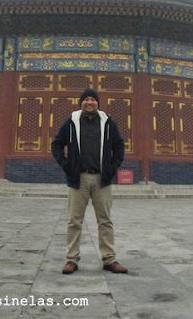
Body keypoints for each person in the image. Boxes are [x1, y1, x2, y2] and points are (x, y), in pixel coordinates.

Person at [51, 88, 128, 274]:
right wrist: (67, 165)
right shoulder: (72, 122)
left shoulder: (108, 122)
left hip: (102, 179)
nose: (89, 102)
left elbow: (119, 145)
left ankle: (109, 259)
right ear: (81, 103)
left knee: (105, 221)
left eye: (93, 99)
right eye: (86, 99)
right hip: (79, 179)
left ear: (98, 103)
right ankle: (71, 259)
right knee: (74, 221)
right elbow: (56, 144)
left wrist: (112, 167)